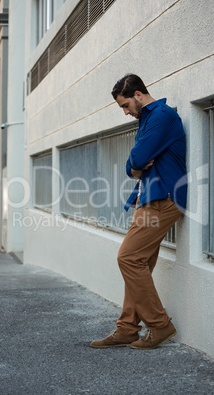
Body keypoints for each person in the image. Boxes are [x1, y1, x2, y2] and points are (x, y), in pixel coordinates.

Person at [90, 74, 187, 350]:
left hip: (164, 197)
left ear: (139, 95)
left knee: (128, 258)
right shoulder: (146, 119)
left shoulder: (162, 116)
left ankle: (159, 325)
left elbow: (139, 158)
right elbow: (131, 166)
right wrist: (135, 165)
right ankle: (127, 328)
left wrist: (136, 163)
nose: (125, 112)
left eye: (125, 105)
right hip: (150, 197)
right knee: (138, 262)